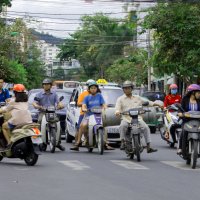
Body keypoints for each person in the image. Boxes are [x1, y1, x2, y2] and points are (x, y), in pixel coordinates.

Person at [115, 81, 162, 153]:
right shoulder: (120, 99)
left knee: (146, 127)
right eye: (125, 88)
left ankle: (148, 146)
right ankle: (122, 142)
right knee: (122, 126)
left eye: (128, 88)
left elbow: (148, 102)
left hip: (138, 118)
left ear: (132, 89)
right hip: (126, 119)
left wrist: (157, 104)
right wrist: (117, 112)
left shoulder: (137, 98)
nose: (126, 90)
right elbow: (117, 108)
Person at [70, 81, 112, 151]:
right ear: (89, 89)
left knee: (104, 126)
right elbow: (83, 105)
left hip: (98, 115)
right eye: (91, 88)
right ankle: (78, 142)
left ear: (97, 89)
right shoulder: (86, 97)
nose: (93, 89)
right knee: (82, 126)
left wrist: (105, 108)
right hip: (88, 116)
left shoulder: (99, 96)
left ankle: (105, 142)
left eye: (94, 88)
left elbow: (104, 104)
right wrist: (84, 109)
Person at [32, 78, 65, 151]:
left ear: (50, 86)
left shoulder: (54, 94)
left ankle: (58, 143)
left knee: (58, 125)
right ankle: (40, 142)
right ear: (42, 86)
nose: (46, 86)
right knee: (39, 122)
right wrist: (37, 106)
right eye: (45, 85)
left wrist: (60, 105)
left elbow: (59, 102)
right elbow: (34, 102)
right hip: (43, 112)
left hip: (52, 112)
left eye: (48, 84)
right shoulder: (39, 94)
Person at [0, 84, 32, 149]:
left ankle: (9, 143)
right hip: (28, 120)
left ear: (15, 92)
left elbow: (6, 109)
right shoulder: (26, 100)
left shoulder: (13, 101)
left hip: (17, 121)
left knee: (4, 126)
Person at [177, 84, 200, 154]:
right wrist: (180, 113)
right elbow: (180, 109)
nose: (199, 94)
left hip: (198, 121)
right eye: (198, 93)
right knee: (184, 131)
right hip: (187, 121)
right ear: (193, 92)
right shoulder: (185, 99)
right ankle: (180, 147)